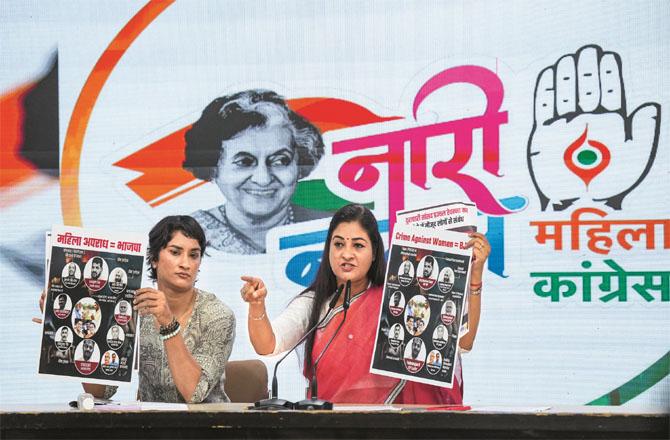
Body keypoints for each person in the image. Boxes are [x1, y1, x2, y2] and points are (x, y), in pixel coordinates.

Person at [240, 204, 490, 404]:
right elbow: (267, 345)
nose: (346, 254)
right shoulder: (314, 304)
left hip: (397, 428)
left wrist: (474, 279)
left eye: (358, 245)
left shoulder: (398, 299)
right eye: (338, 244)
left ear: (374, 254)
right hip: (331, 430)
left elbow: (463, 343)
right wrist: (257, 306)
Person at [37, 216, 235, 403]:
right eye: (175, 252)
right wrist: (71, 324)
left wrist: (168, 324)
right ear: (154, 259)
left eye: (194, 255)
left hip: (207, 428)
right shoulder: (133, 309)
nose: (186, 264)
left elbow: (194, 392)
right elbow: (100, 391)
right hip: (151, 427)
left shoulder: (218, 315)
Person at [182, 89, 329, 254]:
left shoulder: (329, 230)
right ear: (213, 169)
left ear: (299, 166)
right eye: (244, 162)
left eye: (280, 160)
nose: (263, 179)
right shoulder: (184, 237)